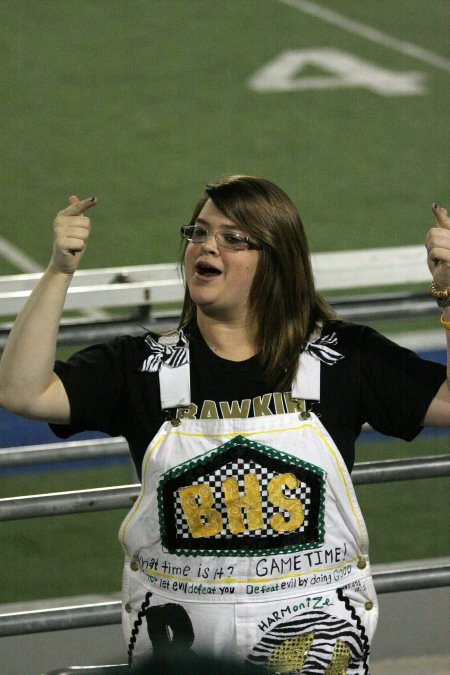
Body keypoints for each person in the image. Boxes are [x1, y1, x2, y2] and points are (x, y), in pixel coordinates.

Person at [0, 176, 449, 674]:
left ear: (277, 260)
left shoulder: (344, 356)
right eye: (198, 232)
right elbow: (23, 391)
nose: (207, 246)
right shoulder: (142, 364)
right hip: (185, 659)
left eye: (234, 238)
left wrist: (449, 291)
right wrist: (60, 270)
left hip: (314, 652)